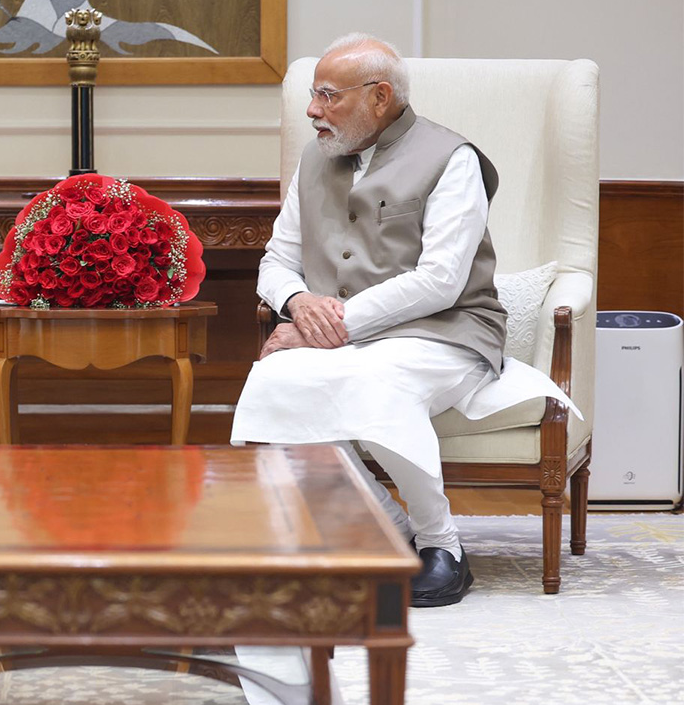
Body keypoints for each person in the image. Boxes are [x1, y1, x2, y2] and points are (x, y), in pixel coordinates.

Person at [231, 33, 578, 608]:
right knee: (274, 382)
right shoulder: (314, 161)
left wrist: (332, 323)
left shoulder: (453, 159)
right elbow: (276, 260)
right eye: (312, 96)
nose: (313, 110)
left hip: (446, 331)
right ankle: (387, 530)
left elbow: (441, 279)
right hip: (342, 338)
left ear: (379, 96)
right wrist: (297, 304)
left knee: (375, 379)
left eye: (326, 95)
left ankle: (444, 547)